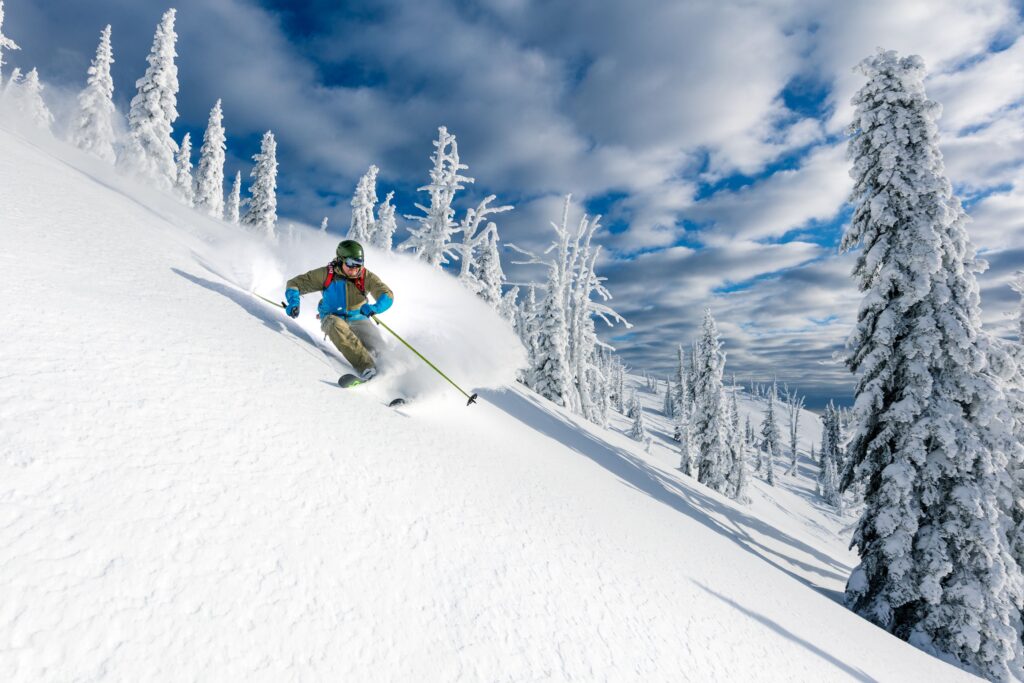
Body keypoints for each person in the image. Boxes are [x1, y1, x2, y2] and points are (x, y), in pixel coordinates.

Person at [284, 240, 393, 380]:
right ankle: (367, 368)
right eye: (350, 263)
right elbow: (295, 284)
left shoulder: (365, 276)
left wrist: (375, 308)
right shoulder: (326, 274)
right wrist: (294, 302)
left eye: (359, 264)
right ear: (340, 260)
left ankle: (394, 378)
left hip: (358, 317)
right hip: (333, 317)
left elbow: (386, 294)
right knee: (336, 325)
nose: (355, 268)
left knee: (379, 349)